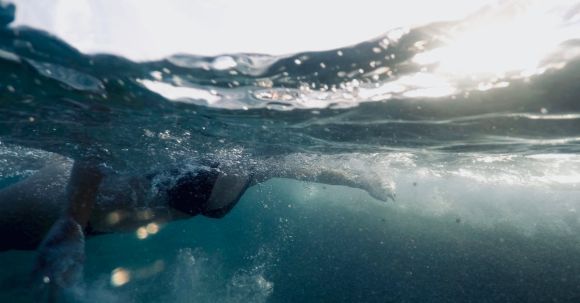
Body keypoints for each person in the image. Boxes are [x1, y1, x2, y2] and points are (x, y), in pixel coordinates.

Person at [0, 153, 392, 296]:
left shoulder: (258, 159)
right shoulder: (189, 125)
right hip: (73, 199)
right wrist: (71, 218)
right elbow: (95, 148)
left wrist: (361, 179)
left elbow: (302, 168)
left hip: (101, 218)